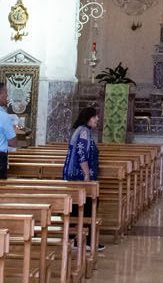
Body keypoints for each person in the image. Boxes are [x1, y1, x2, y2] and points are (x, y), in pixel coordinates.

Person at [63, 107, 105, 253]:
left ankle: (76, 239)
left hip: (75, 176)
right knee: (89, 206)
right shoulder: (83, 132)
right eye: (95, 117)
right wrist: (87, 175)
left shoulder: (81, 130)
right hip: (80, 177)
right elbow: (82, 155)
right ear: (89, 117)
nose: (97, 119)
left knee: (77, 207)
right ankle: (85, 240)